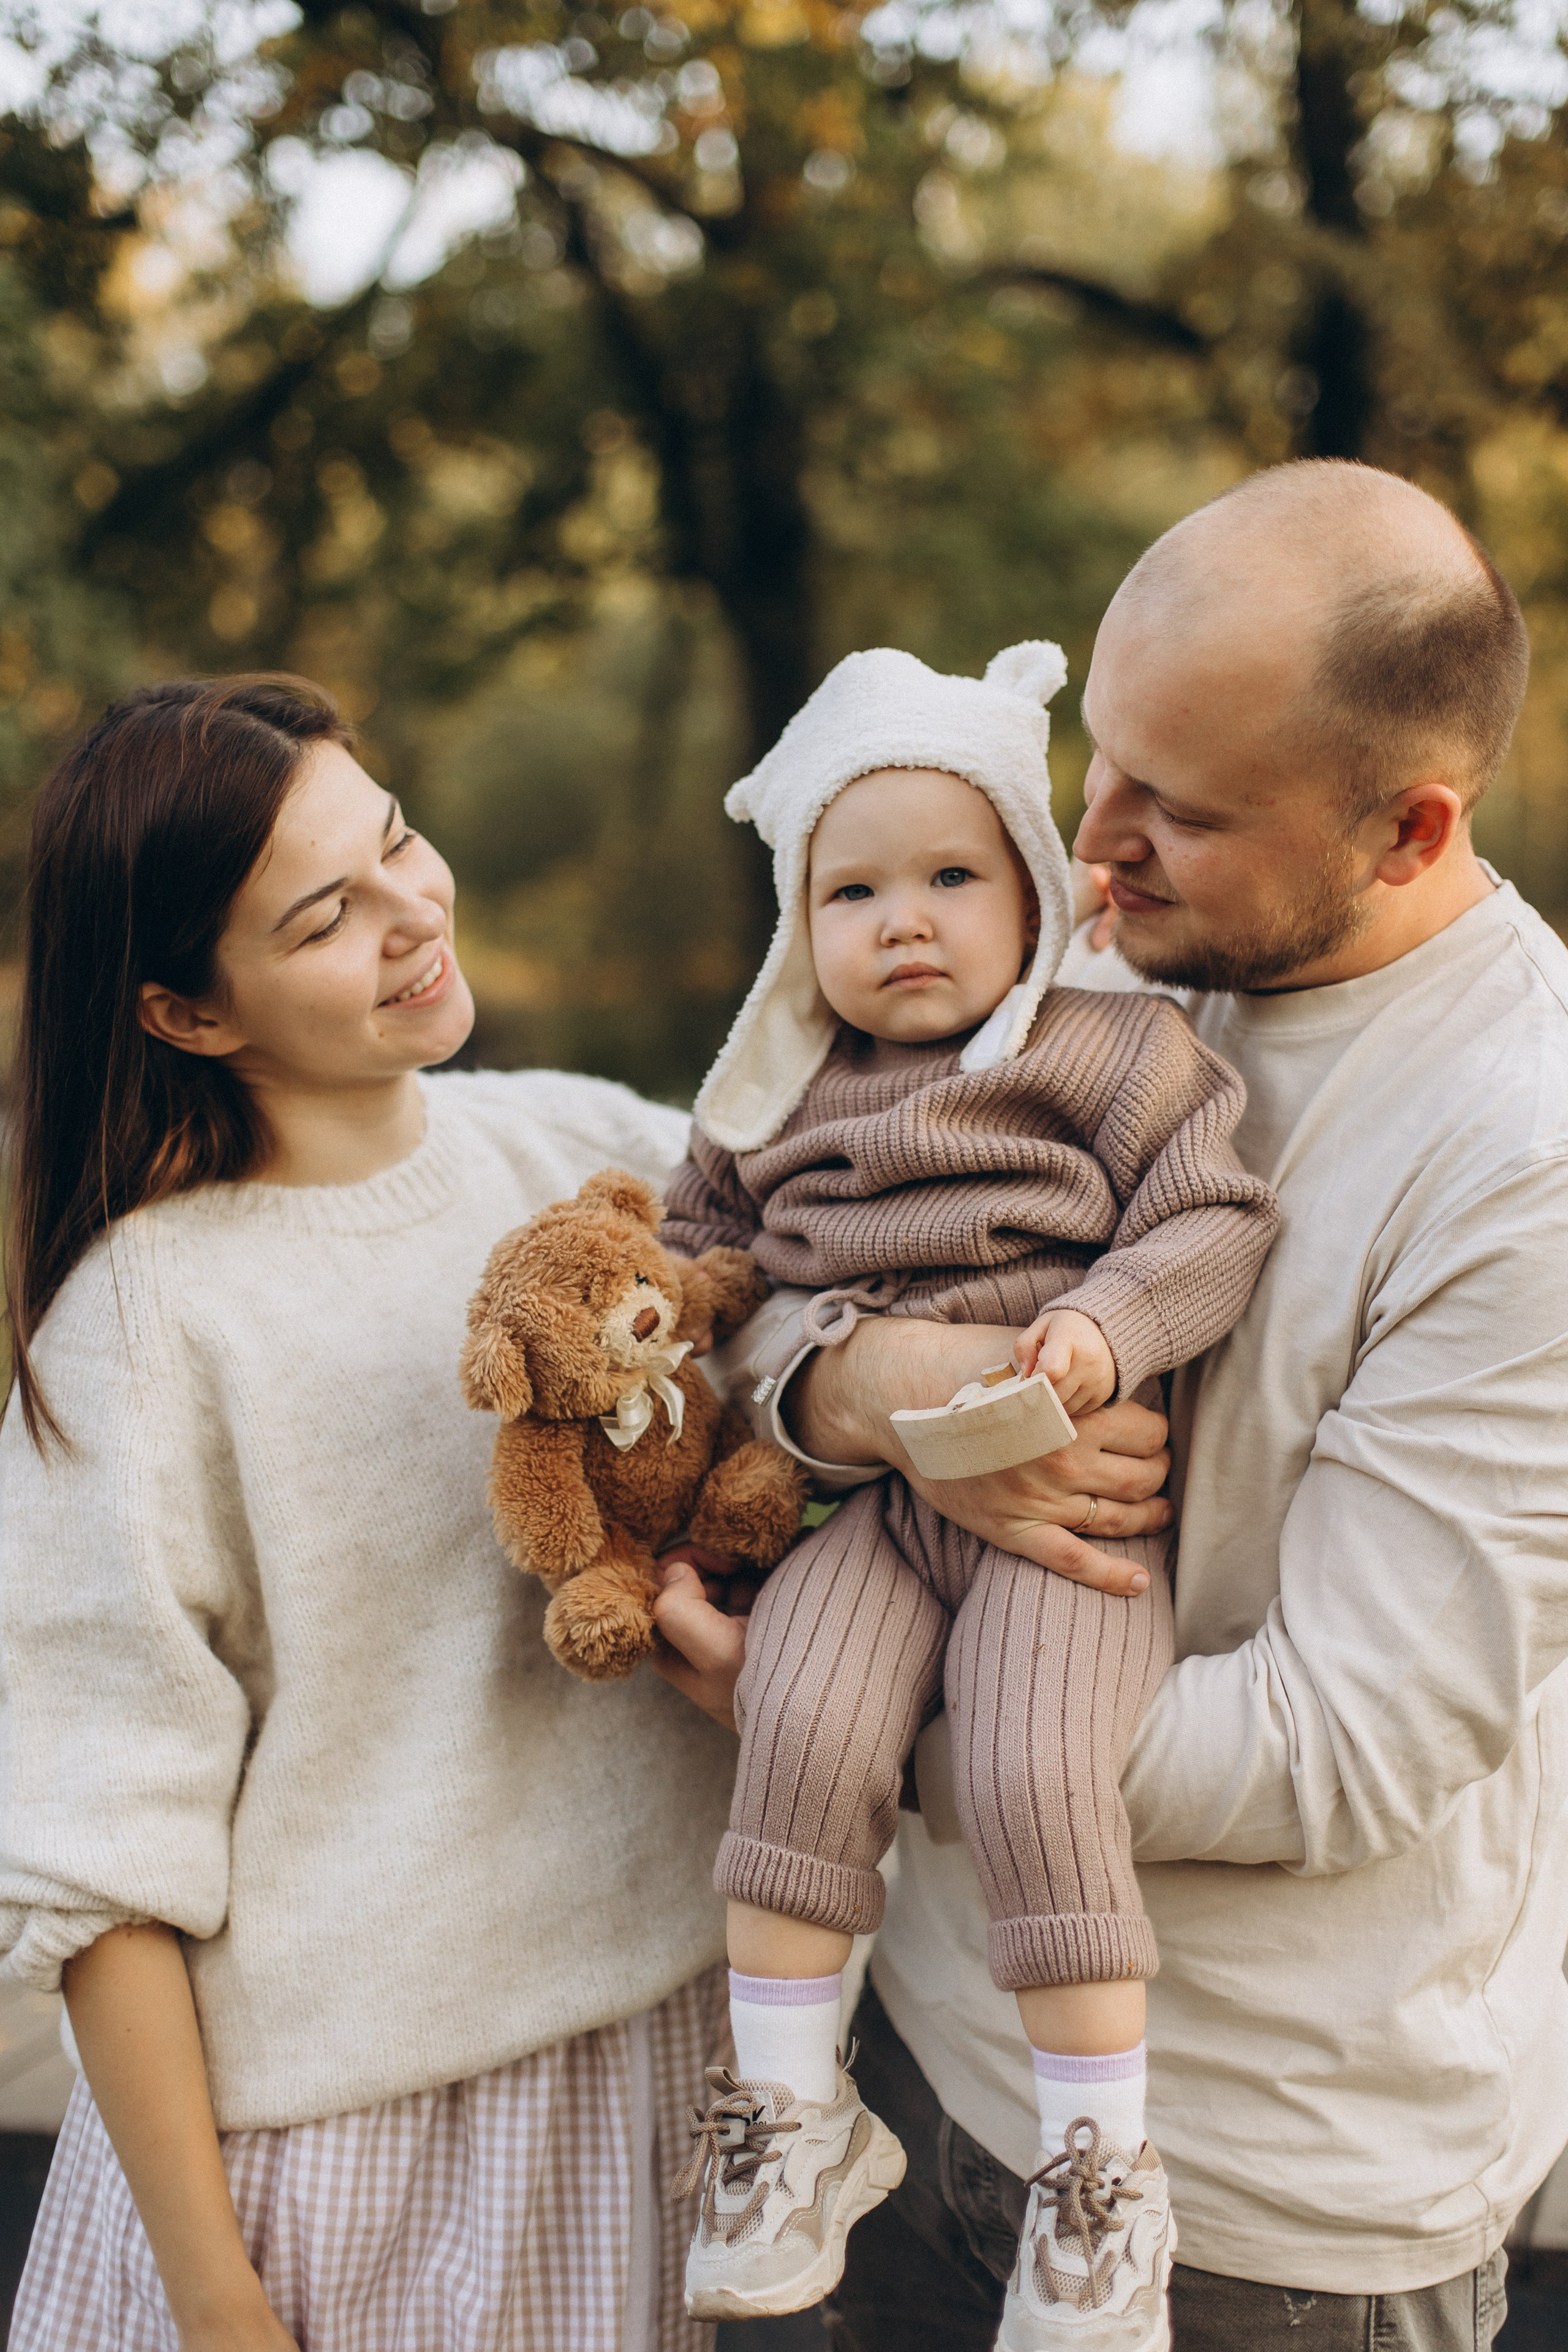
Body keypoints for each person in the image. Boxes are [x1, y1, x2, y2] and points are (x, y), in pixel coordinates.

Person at [653, 459, 1568, 2351]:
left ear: (1407, 830)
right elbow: (748, 1261)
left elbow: (1338, 1749)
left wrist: (839, 1721)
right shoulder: (1058, 932)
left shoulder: (1525, 1147)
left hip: (1259, 2202)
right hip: (912, 2053)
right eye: (1107, 764)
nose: (1098, 843)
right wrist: (863, 1388)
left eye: (1185, 811)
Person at [0, 677, 737, 2352]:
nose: (413, 915)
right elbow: (103, 1871)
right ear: (189, 1014)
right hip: (360, 2169)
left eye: (398, 839)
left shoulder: (580, 1151)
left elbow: (832, 1277)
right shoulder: (147, 1319)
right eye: (330, 914)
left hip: (674, 2070)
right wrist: (215, 2301)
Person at [660, 641, 1277, 2341]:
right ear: (802, 924)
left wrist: (1107, 1318)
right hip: (868, 1514)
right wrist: (685, 1341)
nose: (904, 920)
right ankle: (789, 2113)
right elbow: (697, 1271)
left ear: (1032, 886)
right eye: (853, 891)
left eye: (950, 875)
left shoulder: (1111, 1053)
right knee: (797, 1715)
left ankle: (1101, 2185)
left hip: (1063, 1514)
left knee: (1029, 1769)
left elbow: (1214, 1221)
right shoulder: (774, 1094)